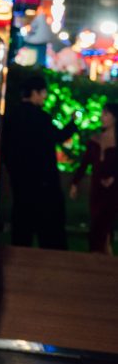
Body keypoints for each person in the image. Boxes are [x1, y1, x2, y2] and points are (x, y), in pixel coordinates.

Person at [1, 73, 77, 249]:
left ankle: (20, 254)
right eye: (43, 93)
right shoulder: (41, 118)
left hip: (20, 181)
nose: (45, 96)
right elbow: (58, 136)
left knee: (22, 226)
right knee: (49, 228)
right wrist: (72, 123)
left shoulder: (12, 117)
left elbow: (6, 149)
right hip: (43, 183)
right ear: (35, 92)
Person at [69, 102, 118, 254]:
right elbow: (84, 164)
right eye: (102, 113)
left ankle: (105, 254)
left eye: (106, 114)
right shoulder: (95, 139)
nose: (102, 117)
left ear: (114, 118)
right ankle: (96, 255)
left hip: (113, 191)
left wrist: (113, 178)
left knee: (106, 225)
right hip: (97, 189)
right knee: (96, 223)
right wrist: (75, 183)